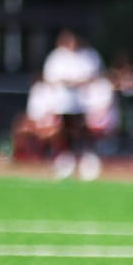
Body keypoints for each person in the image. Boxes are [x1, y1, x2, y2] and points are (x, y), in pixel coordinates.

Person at [41, 29, 104, 180]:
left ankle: (87, 160)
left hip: (82, 103)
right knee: (64, 132)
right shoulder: (56, 57)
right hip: (63, 103)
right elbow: (49, 78)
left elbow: (93, 76)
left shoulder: (86, 56)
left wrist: (77, 82)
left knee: (82, 133)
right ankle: (65, 160)